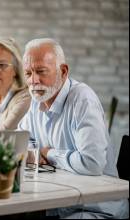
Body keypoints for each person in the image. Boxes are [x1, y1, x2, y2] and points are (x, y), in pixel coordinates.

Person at [18, 38, 128, 219]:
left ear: (63, 71)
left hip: (96, 209)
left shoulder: (82, 99)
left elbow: (91, 163)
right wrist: (34, 153)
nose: (33, 80)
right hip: (60, 205)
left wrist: (49, 153)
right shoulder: (37, 100)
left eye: (41, 71)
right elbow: (19, 142)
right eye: (28, 73)